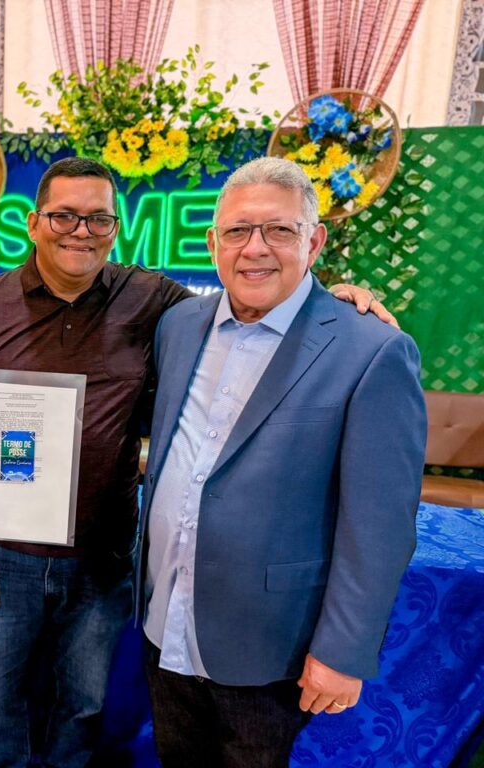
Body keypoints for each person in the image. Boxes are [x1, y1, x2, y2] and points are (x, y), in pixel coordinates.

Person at [0, 156, 394, 767]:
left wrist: (338, 297)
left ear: (115, 229)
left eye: (98, 219)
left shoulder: (157, 303)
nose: (81, 231)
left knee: (83, 706)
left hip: (103, 554)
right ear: (33, 223)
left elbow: (261, 288)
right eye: (64, 216)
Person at [137, 157, 426, 767]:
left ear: (314, 242)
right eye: (238, 231)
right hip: (165, 623)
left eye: (279, 230)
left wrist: (343, 651)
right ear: (213, 243)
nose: (255, 248)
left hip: (270, 647)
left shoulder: (371, 350)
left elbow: (380, 526)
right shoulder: (178, 326)